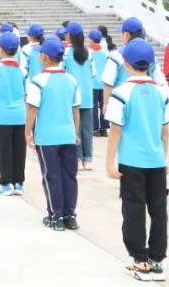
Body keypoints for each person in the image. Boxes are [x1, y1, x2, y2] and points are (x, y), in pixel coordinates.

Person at [104, 38, 169, 282]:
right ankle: (157, 261)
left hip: (132, 162)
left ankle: (140, 261)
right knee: (159, 211)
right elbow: (165, 131)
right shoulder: (161, 91)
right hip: (156, 161)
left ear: (126, 63)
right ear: (151, 64)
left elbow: (116, 129)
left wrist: (109, 162)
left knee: (133, 210)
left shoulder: (121, 92)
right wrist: (163, 157)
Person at [26, 37, 80, 231]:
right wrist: (75, 132)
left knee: (51, 176)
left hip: (47, 136)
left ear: (44, 57)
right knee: (69, 176)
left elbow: (32, 109)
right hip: (68, 135)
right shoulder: (71, 80)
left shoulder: (39, 81)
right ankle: (70, 216)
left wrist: (27, 131)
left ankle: (56, 216)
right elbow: (75, 109)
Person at [0, 32, 27, 196]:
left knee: (4, 149)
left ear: (0, 49)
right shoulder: (22, 70)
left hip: (2, 116)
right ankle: (19, 183)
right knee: (19, 149)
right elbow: (27, 94)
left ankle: (6, 183)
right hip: (20, 115)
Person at [62, 23, 96, 170]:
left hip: (72, 95)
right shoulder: (89, 53)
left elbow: (62, 73)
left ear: (69, 35)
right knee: (87, 128)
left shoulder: (65, 53)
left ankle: (77, 157)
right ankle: (88, 160)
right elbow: (93, 73)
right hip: (87, 94)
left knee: (74, 127)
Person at [88, 29, 109, 137]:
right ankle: (104, 129)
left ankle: (95, 129)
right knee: (104, 105)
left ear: (91, 40)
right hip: (104, 84)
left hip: (93, 83)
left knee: (94, 107)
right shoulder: (106, 53)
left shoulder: (89, 53)